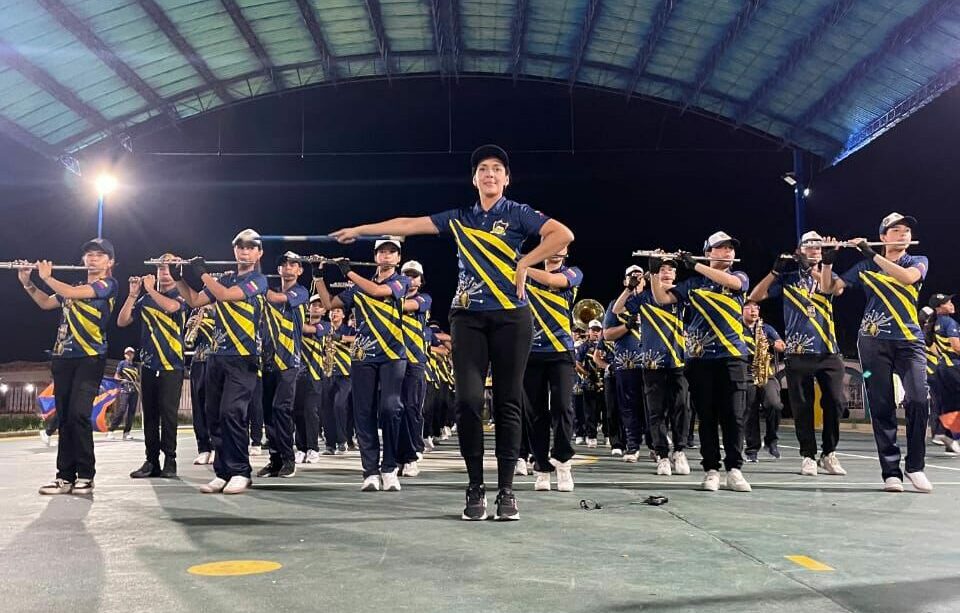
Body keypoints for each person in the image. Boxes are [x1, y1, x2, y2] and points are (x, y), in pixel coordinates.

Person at [332, 144, 574, 521]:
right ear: (474, 179)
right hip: (468, 317)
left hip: (512, 317)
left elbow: (562, 234)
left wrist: (525, 263)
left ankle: (506, 490)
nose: (490, 174)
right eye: (483, 169)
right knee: (467, 402)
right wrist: (361, 230)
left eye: (497, 169)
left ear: (507, 179)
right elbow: (409, 224)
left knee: (509, 402)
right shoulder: (460, 218)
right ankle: (475, 486)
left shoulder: (519, 213)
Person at [821, 213, 932, 493]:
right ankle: (891, 472)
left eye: (907, 231)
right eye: (896, 230)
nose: (903, 234)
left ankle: (915, 466)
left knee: (919, 399)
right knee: (881, 406)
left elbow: (907, 279)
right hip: (873, 342)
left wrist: (872, 254)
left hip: (910, 341)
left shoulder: (917, 261)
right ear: (883, 237)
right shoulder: (864, 267)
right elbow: (829, 288)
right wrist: (828, 262)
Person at [650, 231, 752, 493]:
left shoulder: (739, 276)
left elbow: (734, 283)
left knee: (734, 416)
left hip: (732, 356)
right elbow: (662, 299)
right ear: (708, 253)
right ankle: (711, 469)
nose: (728, 252)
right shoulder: (693, 284)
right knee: (707, 417)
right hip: (700, 358)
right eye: (721, 248)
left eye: (730, 248)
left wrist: (694, 264)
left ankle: (734, 469)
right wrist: (653, 273)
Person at [19, 238, 118, 495]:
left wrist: (47, 277)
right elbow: (45, 302)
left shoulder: (108, 285)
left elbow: (72, 294)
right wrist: (28, 282)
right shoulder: (71, 287)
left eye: (99, 255)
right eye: (89, 254)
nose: (93, 258)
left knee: (79, 414)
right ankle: (64, 477)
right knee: (64, 417)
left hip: (90, 358)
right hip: (63, 358)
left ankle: (85, 474)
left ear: (110, 262)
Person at [175, 228, 268, 495]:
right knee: (214, 415)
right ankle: (223, 472)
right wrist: (178, 278)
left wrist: (202, 273)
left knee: (232, 413)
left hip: (243, 357)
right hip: (216, 356)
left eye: (250, 247)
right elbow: (195, 300)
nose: (245, 251)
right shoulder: (225, 277)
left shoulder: (258, 280)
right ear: (234, 250)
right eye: (240, 247)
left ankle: (240, 471)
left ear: (259, 253)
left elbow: (226, 296)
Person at [749, 231, 848, 476]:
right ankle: (808, 455)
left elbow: (835, 290)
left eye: (818, 247)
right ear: (799, 250)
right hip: (798, 351)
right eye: (809, 246)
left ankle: (829, 453)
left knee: (836, 402)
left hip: (828, 350)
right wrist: (775, 272)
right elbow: (754, 296)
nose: (814, 250)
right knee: (802, 407)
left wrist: (819, 266)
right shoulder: (788, 279)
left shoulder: (828, 274)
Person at [315, 239, 410, 492]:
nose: (386, 256)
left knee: (390, 408)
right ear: (375, 256)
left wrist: (349, 273)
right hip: (363, 355)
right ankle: (370, 471)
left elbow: (378, 292)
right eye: (382, 252)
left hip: (392, 354)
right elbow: (329, 304)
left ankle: (389, 467)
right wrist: (318, 277)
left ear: (398, 258)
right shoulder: (357, 288)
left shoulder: (401, 281)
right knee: (363, 413)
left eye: (392, 252)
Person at [117, 255, 188, 478]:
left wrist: (149, 289)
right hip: (148, 365)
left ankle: (170, 461)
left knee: (168, 416)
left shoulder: (181, 294)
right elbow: (122, 321)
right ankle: (151, 461)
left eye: (167, 269)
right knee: (150, 416)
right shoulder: (146, 299)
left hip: (171, 365)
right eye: (160, 268)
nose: (163, 273)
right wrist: (133, 295)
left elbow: (171, 307)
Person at [523, 247, 583, 492]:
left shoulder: (573, 273)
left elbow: (552, 280)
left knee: (563, 406)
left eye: (562, 247)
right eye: (552, 245)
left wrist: (522, 265)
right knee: (535, 413)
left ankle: (563, 461)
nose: (557, 250)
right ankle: (541, 467)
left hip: (561, 351)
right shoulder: (525, 275)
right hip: (531, 352)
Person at [634, 256, 691, 476]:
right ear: (654, 273)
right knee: (656, 412)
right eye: (662, 268)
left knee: (682, 407)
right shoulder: (644, 297)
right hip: (652, 363)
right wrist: (633, 286)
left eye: (670, 269)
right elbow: (619, 309)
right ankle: (662, 455)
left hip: (678, 360)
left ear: (675, 275)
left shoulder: (681, 294)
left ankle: (679, 450)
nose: (667, 272)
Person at [257, 252, 309, 479]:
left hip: (289, 361)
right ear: (278, 270)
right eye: (284, 264)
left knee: (281, 409)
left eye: (293, 264)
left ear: (300, 270)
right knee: (268, 413)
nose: (288, 267)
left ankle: (289, 459)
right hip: (268, 361)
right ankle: (275, 460)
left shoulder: (300, 292)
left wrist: (254, 285)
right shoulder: (270, 292)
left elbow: (278, 299)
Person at [605, 265, 648, 463]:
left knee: (653, 407)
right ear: (625, 281)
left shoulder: (652, 300)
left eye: (639, 277)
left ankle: (656, 446)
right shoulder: (615, 304)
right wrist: (627, 326)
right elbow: (607, 335)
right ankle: (632, 446)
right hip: (627, 364)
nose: (636, 280)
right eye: (631, 277)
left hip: (652, 363)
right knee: (629, 408)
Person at [398, 260, 432, 477]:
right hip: (393, 360)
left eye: (414, 276)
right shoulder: (391, 296)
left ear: (420, 280)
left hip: (415, 361)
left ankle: (412, 453)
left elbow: (403, 306)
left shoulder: (424, 299)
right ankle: (399, 454)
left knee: (411, 407)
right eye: (406, 275)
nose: (410, 280)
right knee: (393, 410)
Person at [740, 299, 785, 462]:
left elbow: (782, 345)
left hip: (766, 372)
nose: (753, 311)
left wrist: (772, 343)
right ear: (741, 310)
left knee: (775, 404)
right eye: (749, 307)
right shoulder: (736, 327)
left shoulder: (766, 328)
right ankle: (752, 449)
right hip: (746, 373)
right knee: (749, 410)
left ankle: (771, 440)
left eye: (756, 307)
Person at [297, 296, 326, 462]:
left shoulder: (325, 326)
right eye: (314, 304)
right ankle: (301, 448)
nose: (316, 307)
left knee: (311, 411)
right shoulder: (300, 322)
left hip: (315, 375)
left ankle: (313, 448)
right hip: (298, 374)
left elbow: (308, 330)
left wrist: (293, 318)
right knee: (297, 412)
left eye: (320, 306)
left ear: (324, 310)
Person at [186, 305, 216, 465]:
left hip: (217, 359)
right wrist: (191, 326)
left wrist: (206, 324)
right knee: (198, 407)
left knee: (213, 406)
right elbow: (188, 341)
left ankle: (217, 447)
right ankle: (203, 448)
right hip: (198, 360)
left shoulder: (224, 307)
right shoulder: (197, 310)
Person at [930, 293, 960, 451]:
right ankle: (946, 434)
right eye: (947, 303)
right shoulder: (949, 322)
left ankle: (943, 433)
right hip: (954, 366)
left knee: (952, 404)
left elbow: (934, 348)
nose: (951, 304)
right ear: (939, 308)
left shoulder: (936, 324)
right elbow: (956, 346)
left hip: (943, 367)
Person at [575, 320, 606, 449]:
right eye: (593, 330)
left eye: (598, 330)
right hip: (590, 382)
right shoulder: (584, 346)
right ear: (589, 331)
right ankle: (591, 436)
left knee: (606, 410)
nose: (595, 333)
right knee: (590, 411)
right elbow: (577, 363)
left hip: (605, 380)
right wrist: (586, 374)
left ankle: (607, 435)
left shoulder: (606, 344)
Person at [107, 346, 140, 440]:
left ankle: (126, 432)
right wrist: (122, 380)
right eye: (127, 353)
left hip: (134, 391)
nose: (129, 355)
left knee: (132, 412)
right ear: (125, 355)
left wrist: (138, 383)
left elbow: (137, 378)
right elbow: (116, 376)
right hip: (125, 390)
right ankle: (111, 430)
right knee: (122, 410)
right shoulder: (122, 363)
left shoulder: (136, 366)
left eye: (131, 353)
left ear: (133, 355)